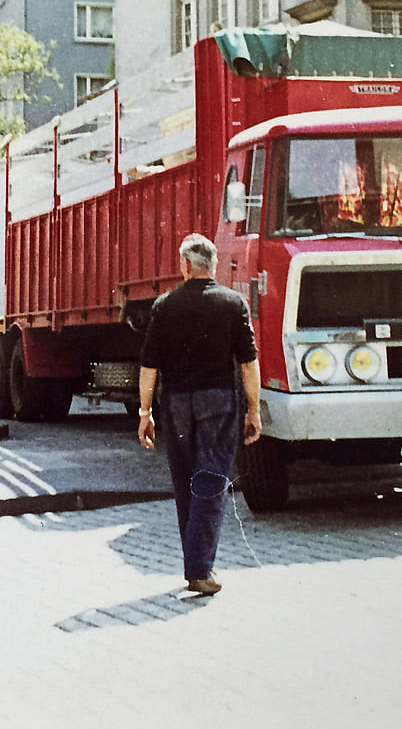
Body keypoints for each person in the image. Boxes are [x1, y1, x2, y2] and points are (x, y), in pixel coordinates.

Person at [137, 233, 262, 595]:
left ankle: (197, 563)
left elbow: (149, 367)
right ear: (214, 266)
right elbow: (249, 364)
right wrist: (253, 409)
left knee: (185, 482)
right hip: (219, 401)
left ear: (185, 266)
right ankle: (200, 568)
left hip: (176, 403)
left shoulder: (164, 306)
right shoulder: (233, 303)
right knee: (211, 480)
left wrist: (145, 412)